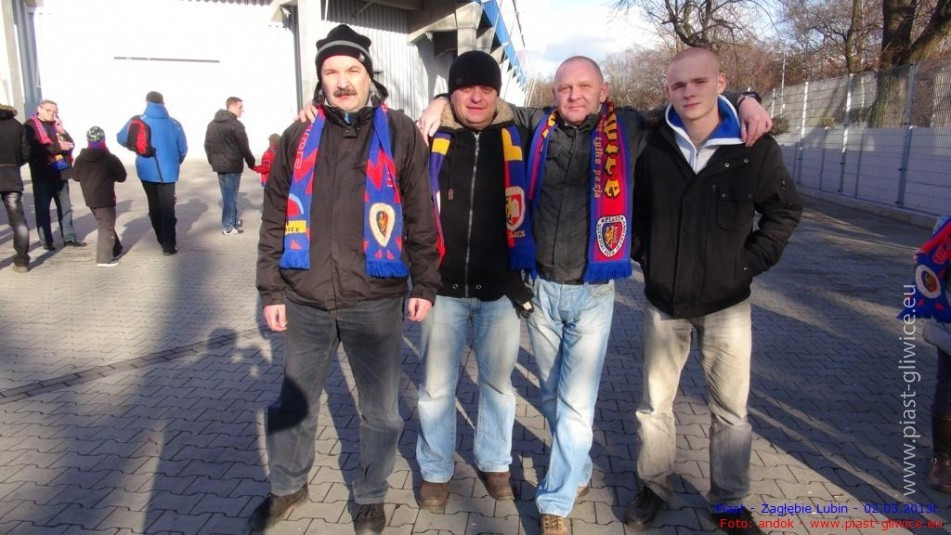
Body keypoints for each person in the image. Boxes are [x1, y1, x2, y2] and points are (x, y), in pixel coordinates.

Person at [416, 56, 772, 535]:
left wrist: (746, 99)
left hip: (594, 294)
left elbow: (691, 104)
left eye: (585, 86)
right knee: (550, 396)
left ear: (604, 91)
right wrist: (440, 99)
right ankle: (578, 468)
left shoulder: (630, 127)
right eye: (565, 88)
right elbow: (483, 103)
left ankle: (555, 501)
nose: (574, 95)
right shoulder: (536, 124)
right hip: (542, 290)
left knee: (577, 405)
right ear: (554, 93)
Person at [252, 24, 440, 535]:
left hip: (375, 298)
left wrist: (425, 283)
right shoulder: (298, 136)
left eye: (352, 70)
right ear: (320, 80)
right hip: (305, 297)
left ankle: (371, 495)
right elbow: (274, 217)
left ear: (368, 75)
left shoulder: (399, 131)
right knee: (294, 404)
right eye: (331, 71)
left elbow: (420, 212)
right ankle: (288, 487)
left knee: (381, 412)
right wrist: (271, 289)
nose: (342, 81)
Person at [627, 48, 802, 535]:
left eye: (699, 82)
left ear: (721, 82)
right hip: (664, 301)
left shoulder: (753, 145)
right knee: (654, 406)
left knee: (731, 411)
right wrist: (647, 255)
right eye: (678, 85)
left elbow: (784, 211)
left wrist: (747, 264)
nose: (689, 92)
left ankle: (728, 501)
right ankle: (653, 487)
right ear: (668, 89)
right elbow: (634, 210)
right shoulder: (652, 143)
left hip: (728, 304)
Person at [415, 50, 532, 511]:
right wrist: (436, 103)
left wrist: (738, 102)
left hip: (499, 289)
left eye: (486, 88)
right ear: (453, 94)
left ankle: (495, 461)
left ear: (498, 93)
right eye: (466, 89)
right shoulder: (431, 135)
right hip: (441, 289)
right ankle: (435, 470)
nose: (477, 97)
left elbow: (576, 111)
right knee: (436, 388)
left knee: (498, 386)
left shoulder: (518, 134)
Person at [117, 91, 187, 256]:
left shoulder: (137, 120)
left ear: (147, 102)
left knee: (154, 206)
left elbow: (121, 138)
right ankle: (169, 246)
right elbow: (183, 148)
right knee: (168, 208)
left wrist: (134, 147)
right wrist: (175, 163)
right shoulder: (174, 123)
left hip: (146, 170)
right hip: (169, 173)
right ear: (163, 103)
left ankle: (161, 238)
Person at [24, 99, 84, 250]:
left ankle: (69, 237)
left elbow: (70, 144)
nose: (52, 114)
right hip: (42, 175)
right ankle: (46, 241)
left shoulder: (55, 125)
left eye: (55, 112)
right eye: (49, 111)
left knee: (65, 208)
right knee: (43, 209)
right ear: (39, 109)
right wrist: (58, 146)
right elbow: (33, 149)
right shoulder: (30, 126)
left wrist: (62, 131)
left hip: (60, 173)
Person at [71, 126, 127, 267]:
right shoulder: (109, 158)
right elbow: (122, 176)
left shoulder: (80, 158)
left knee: (104, 223)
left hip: (90, 198)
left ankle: (116, 249)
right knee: (106, 226)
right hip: (105, 197)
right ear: (103, 140)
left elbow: (75, 176)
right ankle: (104, 259)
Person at [203, 96, 255, 235]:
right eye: (240, 107)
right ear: (231, 106)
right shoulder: (236, 125)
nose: (242, 110)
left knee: (228, 194)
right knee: (230, 197)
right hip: (232, 165)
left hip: (220, 166)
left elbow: (207, 145)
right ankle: (228, 227)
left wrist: (212, 160)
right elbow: (244, 147)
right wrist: (251, 162)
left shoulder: (212, 124)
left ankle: (233, 220)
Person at [0, 103, 31, 272]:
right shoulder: (17, 126)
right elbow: (26, 152)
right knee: (18, 220)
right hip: (11, 176)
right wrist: (14, 164)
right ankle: (21, 261)